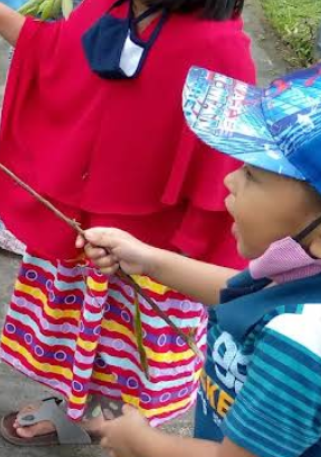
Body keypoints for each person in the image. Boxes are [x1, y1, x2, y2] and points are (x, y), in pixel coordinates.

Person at [0, 0, 255, 445]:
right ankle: (69, 398)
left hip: (152, 251)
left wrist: (177, 257)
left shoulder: (219, 51)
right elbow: (51, 54)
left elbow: (227, 176)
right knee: (73, 332)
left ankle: (122, 425)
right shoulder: (110, 7)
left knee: (127, 348)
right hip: (80, 231)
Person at [83, 63, 321, 457]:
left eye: (252, 174)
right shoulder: (301, 275)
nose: (230, 180)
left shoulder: (300, 347)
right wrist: (149, 260)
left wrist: (144, 443)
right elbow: (247, 292)